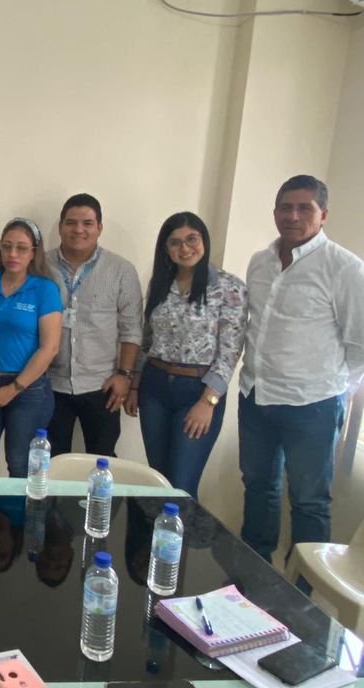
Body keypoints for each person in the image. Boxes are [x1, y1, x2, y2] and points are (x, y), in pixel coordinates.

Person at [238, 175, 364, 563]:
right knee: (258, 487)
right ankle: (252, 577)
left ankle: (302, 591)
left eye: (304, 208)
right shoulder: (260, 262)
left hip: (312, 406)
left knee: (309, 502)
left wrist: (331, 391)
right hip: (255, 395)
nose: (293, 216)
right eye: (285, 207)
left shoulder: (345, 268)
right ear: (275, 212)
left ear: (323, 214)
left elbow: (359, 344)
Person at [124, 212, 246, 499]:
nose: (185, 248)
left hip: (197, 391)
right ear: (166, 249)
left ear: (204, 241)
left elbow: (230, 351)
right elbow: (148, 339)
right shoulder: (160, 284)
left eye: (192, 239)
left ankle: (182, 531)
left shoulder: (228, 286)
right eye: (175, 242)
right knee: (158, 481)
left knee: (181, 485)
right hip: (154, 387)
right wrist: (135, 385)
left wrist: (208, 402)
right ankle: (158, 529)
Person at [44, 193, 143, 457]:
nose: (79, 229)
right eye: (71, 222)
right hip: (50, 383)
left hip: (102, 385)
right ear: (60, 227)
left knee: (102, 459)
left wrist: (124, 375)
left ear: (99, 227)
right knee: (51, 460)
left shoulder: (121, 270)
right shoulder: (40, 265)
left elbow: (132, 328)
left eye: (87, 223)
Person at [0, 218, 62, 477]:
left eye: (21, 248)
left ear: (34, 253)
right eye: (6, 247)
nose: (13, 254)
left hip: (28, 390)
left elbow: (50, 347)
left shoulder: (45, 289)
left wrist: (14, 388)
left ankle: (19, 508)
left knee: (21, 465)